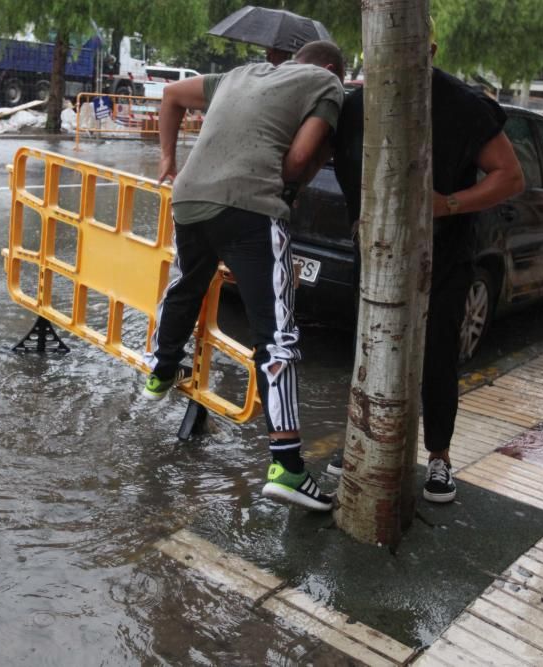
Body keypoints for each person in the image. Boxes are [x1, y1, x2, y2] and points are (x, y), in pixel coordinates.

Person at [142, 40, 346, 512]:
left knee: (186, 283)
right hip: (251, 208)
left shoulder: (240, 74)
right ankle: (288, 467)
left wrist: (167, 162)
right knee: (277, 336)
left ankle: (161, 369)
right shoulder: (327, 84)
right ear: (332, 67)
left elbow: (170, 94)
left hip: (189, 200)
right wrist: (302, 175)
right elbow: (297, 160)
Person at [326, 33, 525, 503]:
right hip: (373, 258)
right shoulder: (356, 104)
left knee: (436, 358)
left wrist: (448, 203)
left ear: (430, 50)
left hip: (442, 257)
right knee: (367, 352)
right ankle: (360, 439)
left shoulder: (462, 104)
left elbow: (510, 177)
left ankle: (438, 456)